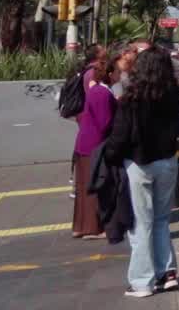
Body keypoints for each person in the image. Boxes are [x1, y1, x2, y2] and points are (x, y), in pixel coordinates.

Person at [105, 48, 179, 298]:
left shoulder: (132, 97)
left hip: (139, 164)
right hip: (168, 162)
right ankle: (167, 272)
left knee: (141, 224)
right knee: (161, 220)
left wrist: (111, 157)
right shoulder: (173, 95)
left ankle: (142, 282)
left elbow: (120, 135)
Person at [72, 59, 116, 239]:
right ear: (110, 75)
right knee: (95, 185)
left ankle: (80, 227)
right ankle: (93, 227)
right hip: (95, 145)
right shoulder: (103, 93)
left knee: (83, 186)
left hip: (85, 144)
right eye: (117, 73)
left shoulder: (95, 91)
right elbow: (105, 121)